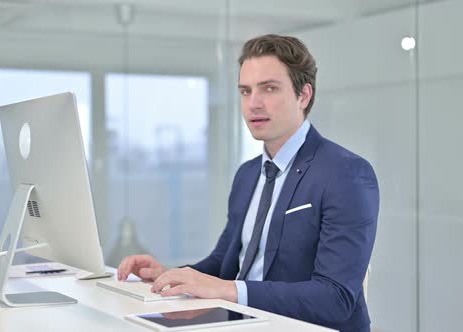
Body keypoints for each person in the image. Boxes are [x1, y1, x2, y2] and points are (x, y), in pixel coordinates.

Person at [117, 34, 379, 332]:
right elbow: (225, 262)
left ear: (303, 95)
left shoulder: (346, 173)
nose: (253, 103)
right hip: (243, 323)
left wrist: (229, 291)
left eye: (269, 88)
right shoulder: (248, 174)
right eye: (245, 91)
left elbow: (336, 297)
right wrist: (171, 275)